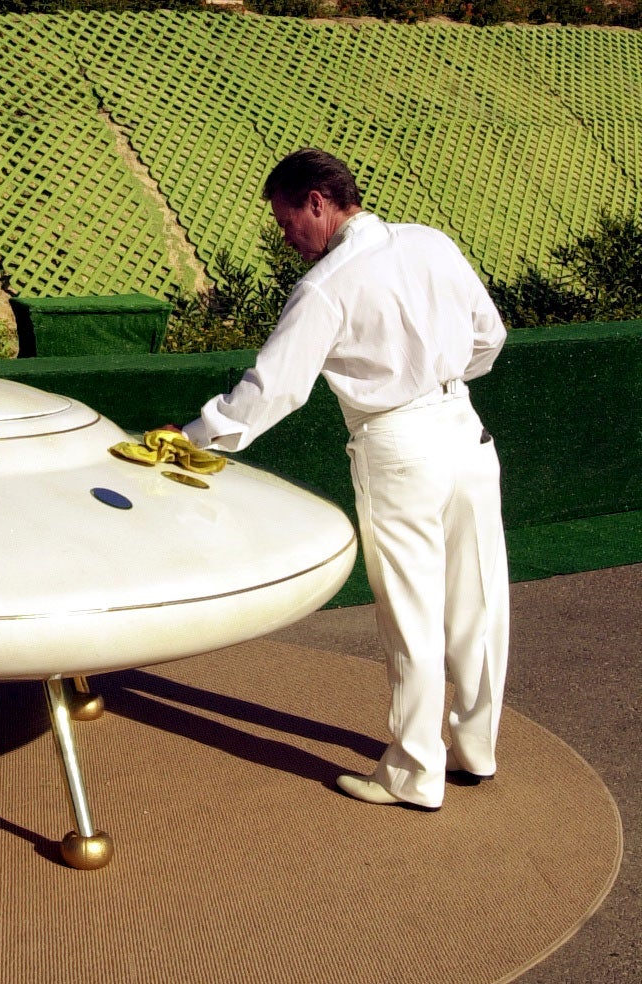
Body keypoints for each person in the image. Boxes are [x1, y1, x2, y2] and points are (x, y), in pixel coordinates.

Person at [178, 148, 510, 811]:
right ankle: (475, 749)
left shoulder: (327, 285)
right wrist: (439, 382)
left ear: (318, 202)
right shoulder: (432, 244)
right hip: (466, 433)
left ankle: (416, 773)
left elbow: (274, 389)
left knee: (414, 612)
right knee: (478, 600)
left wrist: (192, 439)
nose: (286, 236)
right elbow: (489, 338)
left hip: (399, 445)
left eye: (285, 220)